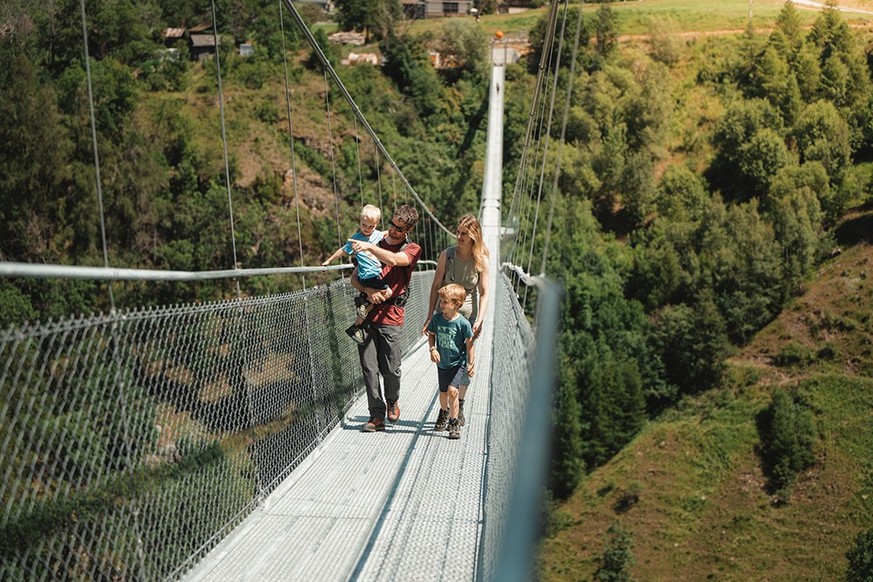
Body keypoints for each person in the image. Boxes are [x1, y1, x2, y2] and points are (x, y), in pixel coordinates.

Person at [348, 204, 421, 432]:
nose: (393, 230)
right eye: (391, 224)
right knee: (369, 368)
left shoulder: (412, 248)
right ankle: (376, 416)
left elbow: (395, 260)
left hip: (392, 317)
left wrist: (370, 247)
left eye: (399, 228)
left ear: (408, 229)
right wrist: (368, 291)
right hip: (367, 314)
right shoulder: (376, 240)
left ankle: (392, 400)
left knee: (390, 368)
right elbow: (354, 279)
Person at [421, 214, 490, 427]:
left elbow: (485, 293)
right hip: (444, 316)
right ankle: (446, 409)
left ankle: (458, 406)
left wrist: (479, 319)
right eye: (457, 231)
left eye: (463, 233)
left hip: (467, 319)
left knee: (465, 362)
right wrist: (429, 315)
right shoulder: (447, 255)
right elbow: (435, 286)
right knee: (446, 359)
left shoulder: (481, 260)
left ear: (473, 236)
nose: (458, 236)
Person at [322, 204, 391, 345]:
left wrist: (398, 232)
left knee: (372, 300)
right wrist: (329, 260)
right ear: (359, 222)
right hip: (367, 276)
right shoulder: (355, 239)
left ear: (376, 225)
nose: (367, 228)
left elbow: (386, 233)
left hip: (374, 276)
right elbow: (342, 250)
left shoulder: (376, 234)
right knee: (388, 292)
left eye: (371, 226)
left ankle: (356, 325)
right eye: (364, 225)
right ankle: (364, 303)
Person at [427, 284, 475, 440]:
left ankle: (453, 422)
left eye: (445, 302)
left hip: (457, 363)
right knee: (443, 393)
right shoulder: (437, 319)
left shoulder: (463, 324)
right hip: (442, 363)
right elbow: (431, 334)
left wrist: (470, 363)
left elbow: (469, 344)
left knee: (453, 391)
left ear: (457, 305)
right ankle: (443, 412)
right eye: (441, 301)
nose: (441, 305)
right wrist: (432, 349)